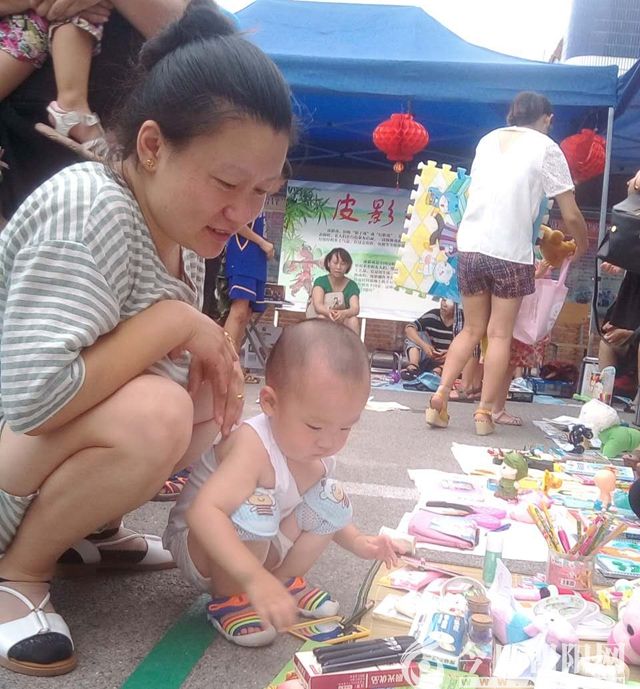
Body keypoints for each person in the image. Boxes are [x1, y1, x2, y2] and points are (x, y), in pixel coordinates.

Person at [0, 0, 292, 677]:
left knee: (202, 391)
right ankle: (19, 573)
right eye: (228, 182)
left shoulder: (179, 230)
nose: (244, 212)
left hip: (25, 458)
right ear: (153, 146)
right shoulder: (90, 208)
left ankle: (88, 528)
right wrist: (178, 323)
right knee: (159, 411)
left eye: (263, 190)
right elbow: (33, 398)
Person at [164, 319, 401, 647]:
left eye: (345, 427)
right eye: (315, 426)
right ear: (270, 403)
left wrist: (361, 542)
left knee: (328, 498)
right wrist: (252, 578)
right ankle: (230, 597)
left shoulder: (316, 452)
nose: (329, 441)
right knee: (258, 505)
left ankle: (282, 580)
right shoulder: (253, 446)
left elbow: (319, 509)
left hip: (258, 535)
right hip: (201, 548)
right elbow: (203, 513)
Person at [425, 91, 588, 435]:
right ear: (547, 118)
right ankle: (484, 412)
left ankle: (440, 394)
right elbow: (572, 214)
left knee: (471, 330)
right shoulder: (547, 148)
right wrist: (583, 244)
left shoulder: (486, 141)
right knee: (499, 334)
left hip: (470, 247)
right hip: (510, 253)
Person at [308, 247, 360, 334]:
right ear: (328, 263)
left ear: (348, 266)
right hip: (324, 316)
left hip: (342, 320)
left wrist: (343, 313)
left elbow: (355, 308)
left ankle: (353, 343)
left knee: (353, 320)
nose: (338, 267)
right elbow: (318, 306)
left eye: (343, 264)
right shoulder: (320, 281)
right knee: (321, 318)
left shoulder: (352, 285)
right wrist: (329, 313)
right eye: (335, 263)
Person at [401, 299, 454, 380]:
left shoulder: (462, 321)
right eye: (443, 300)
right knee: (416, 334)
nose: (444, 304)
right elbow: (409, 328)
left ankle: (437, 371)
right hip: (429, 357)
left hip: (450, 361)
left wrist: (450, 354)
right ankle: (413, 367)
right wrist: (424, 346)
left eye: (449, 302)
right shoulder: (432, 315)